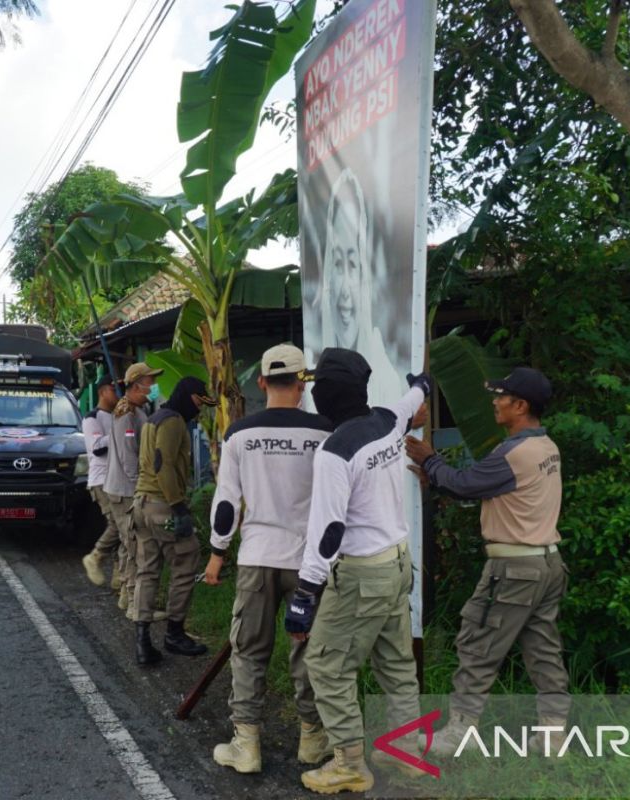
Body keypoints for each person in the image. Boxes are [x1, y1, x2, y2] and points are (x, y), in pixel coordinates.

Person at [284, 349, 430, 794]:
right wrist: (422, 383)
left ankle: (349, 763)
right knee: (396, 662)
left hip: (363, 574)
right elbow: (412, 400)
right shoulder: (387, 420)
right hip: (399, 563)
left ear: (326, 394)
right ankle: (406, 750)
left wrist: (304, 597)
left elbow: (328, 533)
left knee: (327, 665)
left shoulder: (335, 452)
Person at [404, 367, 568, 755]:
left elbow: (465, 483)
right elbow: (486, 490)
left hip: (514, 570)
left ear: (521, 405)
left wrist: (430, 460)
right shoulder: (547, 447)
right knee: (543, 647)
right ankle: (553, 731)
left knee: (478, 642)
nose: (494, 402)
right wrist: (440, 476)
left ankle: (461, 731)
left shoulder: (514, 453)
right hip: (547, 563)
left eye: (501, 397)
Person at [204, 344, 336, 774]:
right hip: (309, 564)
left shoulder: (240, 434)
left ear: (261, 382)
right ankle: (312, 740)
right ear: (302, 384)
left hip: (257, 559)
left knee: (249, 651)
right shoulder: (325, 433)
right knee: (308, 650)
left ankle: (248, 745)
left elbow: (227, 504)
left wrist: (217, 554)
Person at [131, 375, 216, 666]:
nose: (200, 409)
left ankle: (142, 641)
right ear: (186, 394)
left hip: (141, 505)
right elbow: (162, 463)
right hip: (162, 505)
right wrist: (179, 507)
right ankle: (174, 634)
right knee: (186, 561)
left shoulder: (155, 417)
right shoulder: (174, 421)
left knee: (147, 571)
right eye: (198, 401)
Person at [313, 169, 401, 406]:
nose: (343, 290)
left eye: (353, 264)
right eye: (337, 264)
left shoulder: (386, 382)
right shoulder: (317, 377)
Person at [104, 363, 163, 618]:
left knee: (132, 545)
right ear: (138, 385)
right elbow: (129, 458)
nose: (153, 386)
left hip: (128, 488)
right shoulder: (126, 414)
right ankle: (133, 603)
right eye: (151, 382)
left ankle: (128, 598)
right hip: (126, 490)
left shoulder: (137, 410)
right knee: (134, 545)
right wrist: (140, 488)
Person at [81, 375, 123, 589]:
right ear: (103, 392)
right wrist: (119, 431)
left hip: (117, 479)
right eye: (115, 390)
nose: (119, 394)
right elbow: (97, 448)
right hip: (101, 480)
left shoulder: (117, 416)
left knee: (124, 529)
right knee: (118, 525)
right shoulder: (93, 418)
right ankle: (95, 557)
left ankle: (119, 577)